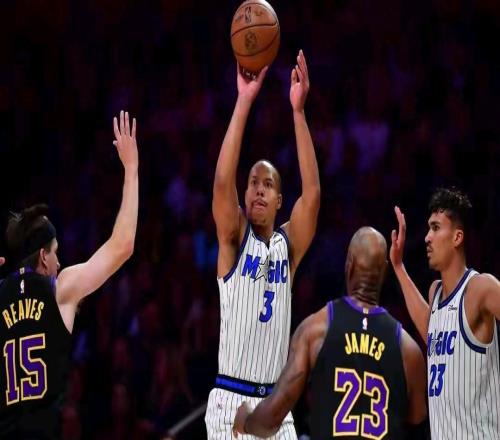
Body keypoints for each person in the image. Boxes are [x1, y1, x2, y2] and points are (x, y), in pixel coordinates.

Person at [0, 110, 139, 439]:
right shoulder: (58, 289)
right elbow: (122, 245)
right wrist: (131, 169)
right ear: (43, 256)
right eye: (56, 252)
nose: (60, 263)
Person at [205, 50, 320, 439]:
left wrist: (298, 113)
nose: (257, 189)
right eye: (253, 182)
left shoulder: (289, 245)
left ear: (279, 200)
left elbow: (313, 195)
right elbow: (222, 183)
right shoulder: (235, 238)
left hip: (274, 407)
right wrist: (243, 101)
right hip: (230, 401)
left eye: (267, 184)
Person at [233, 227, 428, 439]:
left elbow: (271, 418)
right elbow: (417, 419)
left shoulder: (314, 330)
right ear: (384, 272)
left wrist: (246, 420)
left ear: (349, 266)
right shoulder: (408, 350)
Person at [390, 187, 500, 439]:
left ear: (457, 237)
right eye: (428, 228)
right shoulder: (435, 292)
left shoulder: (480, 288)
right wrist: (398, 267)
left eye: (436, 228)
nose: (427, 237)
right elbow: (432, 335)